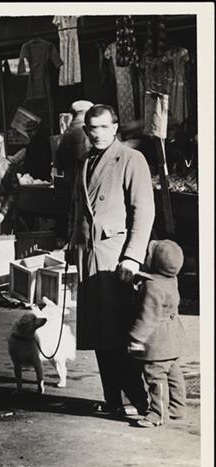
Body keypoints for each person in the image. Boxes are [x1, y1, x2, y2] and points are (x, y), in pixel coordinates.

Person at [70, 104, 155, 418]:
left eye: (104, 127)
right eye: (92, 128)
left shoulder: (131, 159)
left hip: (115, 258)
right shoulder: (84, 160)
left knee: (119, 332)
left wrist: (132, 256)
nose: (98, 134)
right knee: (99, 333)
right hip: (88, 256)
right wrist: (70, 243)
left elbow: (143, 211)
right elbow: (77, 208)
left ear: (115, 128)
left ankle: (139, 400)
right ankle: (113, 400)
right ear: (86, 130)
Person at [128, 240, 187, 428]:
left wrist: (136, 338)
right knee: (174, 374)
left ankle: (158, 413)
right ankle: (177, 408)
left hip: (157, 342)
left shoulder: (152, 287)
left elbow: (147, 316)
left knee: (156, 377)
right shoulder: (171, 279)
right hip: (174, 337)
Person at [56, 100, 94, 238]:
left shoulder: (67, 133)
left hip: (69, 183)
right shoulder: (84, 133)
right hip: (83, 184)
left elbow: (59, 163)